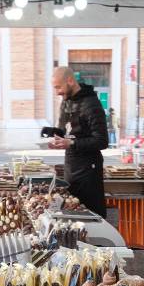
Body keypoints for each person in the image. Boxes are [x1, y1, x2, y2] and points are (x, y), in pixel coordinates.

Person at [49, 67, 108, 217]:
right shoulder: (65, 102)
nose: (57, 92)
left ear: (70, 81)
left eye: (58, 87)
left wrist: (72, 144)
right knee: (71, 212)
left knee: (89, 215)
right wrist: (55, 134)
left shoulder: (91, 104)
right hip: (71, 168)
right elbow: (66, 131)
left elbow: (102, 141)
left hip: (89, 171)